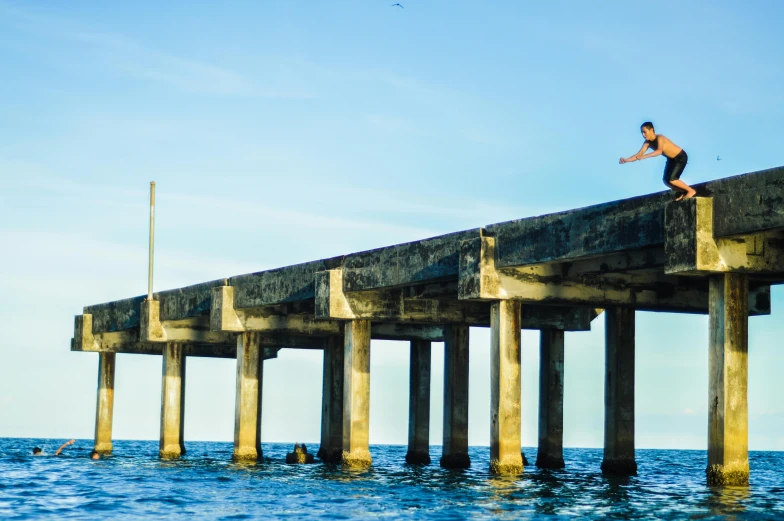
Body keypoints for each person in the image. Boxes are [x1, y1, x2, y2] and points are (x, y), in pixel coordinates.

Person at [620, 122, 697, 200]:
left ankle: (691, 191)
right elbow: (638, 155)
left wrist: (645, 156)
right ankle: (684, 192)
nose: (643, 135)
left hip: (680, 157)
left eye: (645, 132)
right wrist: (626, 160)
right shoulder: (647, 143)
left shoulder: (660, 138)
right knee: (666, 181)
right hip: (671, 159)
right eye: (642, 133)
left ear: (652, 130)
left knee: (672, 179)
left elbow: (659, 151)